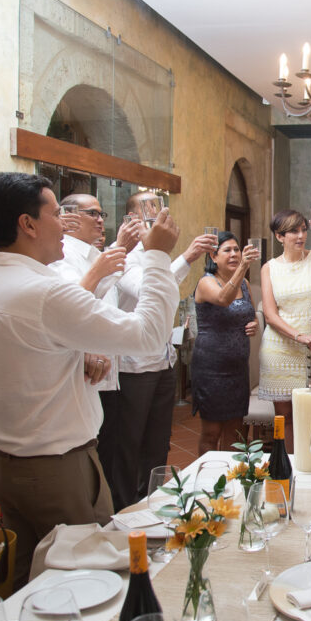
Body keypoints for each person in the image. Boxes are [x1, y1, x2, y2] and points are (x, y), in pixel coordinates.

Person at [0, 172, 180, 585]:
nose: (63, 224)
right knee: (84, 583)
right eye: (55, 214)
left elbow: (30, 351)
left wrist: (77, 351)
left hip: (8, 464)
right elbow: (148, 335)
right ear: (27, 225)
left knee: (29, 584)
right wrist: (155, 257)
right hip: (54, 469)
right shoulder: (42, 293)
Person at [103, 191, 218, 510]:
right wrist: (187, 257)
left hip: (162, 361)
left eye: (159, 211)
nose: (158, 217)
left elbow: (165, 289)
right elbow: (144, 290)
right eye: (149, 213)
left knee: (157, 444)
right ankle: (125, 510)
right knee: (129, 445)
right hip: (134, 366)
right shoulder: (123, 255)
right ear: (131, 220)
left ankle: (151, 504)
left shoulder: (158, 255)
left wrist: (183, 257)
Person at [49, 193, 143, 492]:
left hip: (108, 369)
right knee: (98, 458)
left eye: (102, 213)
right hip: (87, 371)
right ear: (69, 216)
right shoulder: (63, 256)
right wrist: (119, 250)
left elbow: (101, 300)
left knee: (113, 452)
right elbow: (75, 305)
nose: (101, 220)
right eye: (93, 213)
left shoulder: (92, 254)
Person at [259, 209, 311, 449]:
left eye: (303, 230)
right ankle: (288, 467)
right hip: (280, 351)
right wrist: (299, 336)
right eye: (293, 231)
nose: (300, 235)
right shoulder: (269, 268)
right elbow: (270, 314)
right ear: (279, 237)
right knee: (285, 417)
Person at [192, 231, 260, 454]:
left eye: (237, 250)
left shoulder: (245, 284)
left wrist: (254, 324)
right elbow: (223, 299)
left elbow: (247, 314)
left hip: (237, 370)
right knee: (211, 434)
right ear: (213, 256)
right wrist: (243, 267)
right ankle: (206, 484)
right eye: (227, 250)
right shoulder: (206, 283)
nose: (234, 254)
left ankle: (233, 484)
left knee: (237, 434)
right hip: (211, 371)